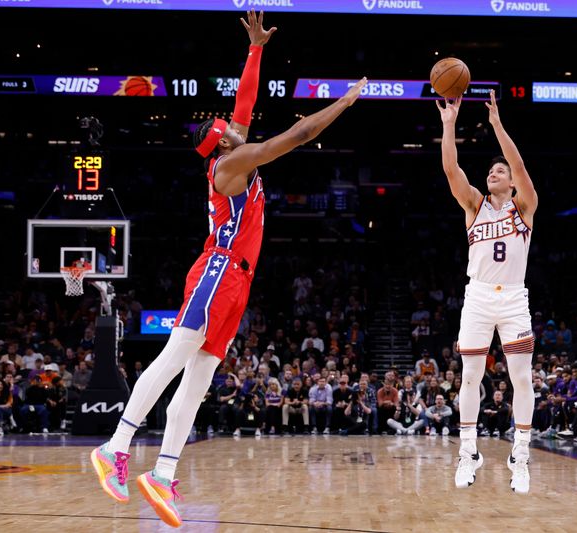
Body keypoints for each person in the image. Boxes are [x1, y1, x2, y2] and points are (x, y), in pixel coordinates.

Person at [89, 10, 367, 528]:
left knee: (197, 382)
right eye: (233, 130)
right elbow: (299, 135)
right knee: (176, 358)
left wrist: (256, 49)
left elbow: (245, 101)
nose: (242, 127)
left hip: (237, 279)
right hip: (217, 271)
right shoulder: (231, 164)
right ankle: (115, 445)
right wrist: (345, 102)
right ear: (221, 144)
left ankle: (163, 476)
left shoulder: (231, 151)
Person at [437, 89, 538, 493]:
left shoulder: (524, 207)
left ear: (512, 183)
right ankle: (468, 453)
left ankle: (522, 456)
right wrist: (449, 126)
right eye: (491, 171)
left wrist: (496, 125)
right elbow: (450, 170)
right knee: (470, 377)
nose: (494, 172)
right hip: (478, 296)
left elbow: (517, 163)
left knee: (523, 379)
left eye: (500, 172)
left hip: (514, 298)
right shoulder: (474, 206)